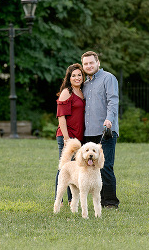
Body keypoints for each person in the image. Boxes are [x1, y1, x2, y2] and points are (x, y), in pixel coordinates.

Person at [81, 51, 120, 209]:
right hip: (88, 133)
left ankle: (110, 202)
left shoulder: (108, 78)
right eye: (86, 64)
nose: (89, 66)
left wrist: (109, 119)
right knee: (90, 168)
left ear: (98, 62)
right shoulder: (84, 83)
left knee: (105, 166)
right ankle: (97, 200)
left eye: (91, 63)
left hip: (106, 130)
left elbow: (113, 100)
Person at [54, 63, 86, 205]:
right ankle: (59, 200)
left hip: (79, 137)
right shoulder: (67, 92)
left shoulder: (83, 91)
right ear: (69, 77)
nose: (77, 77)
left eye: (79, 75)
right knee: (65, 167)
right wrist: (66, 138)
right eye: (74, 75)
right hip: (67, 136)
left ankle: (71, 199)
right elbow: (61, 117)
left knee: (75, 168)